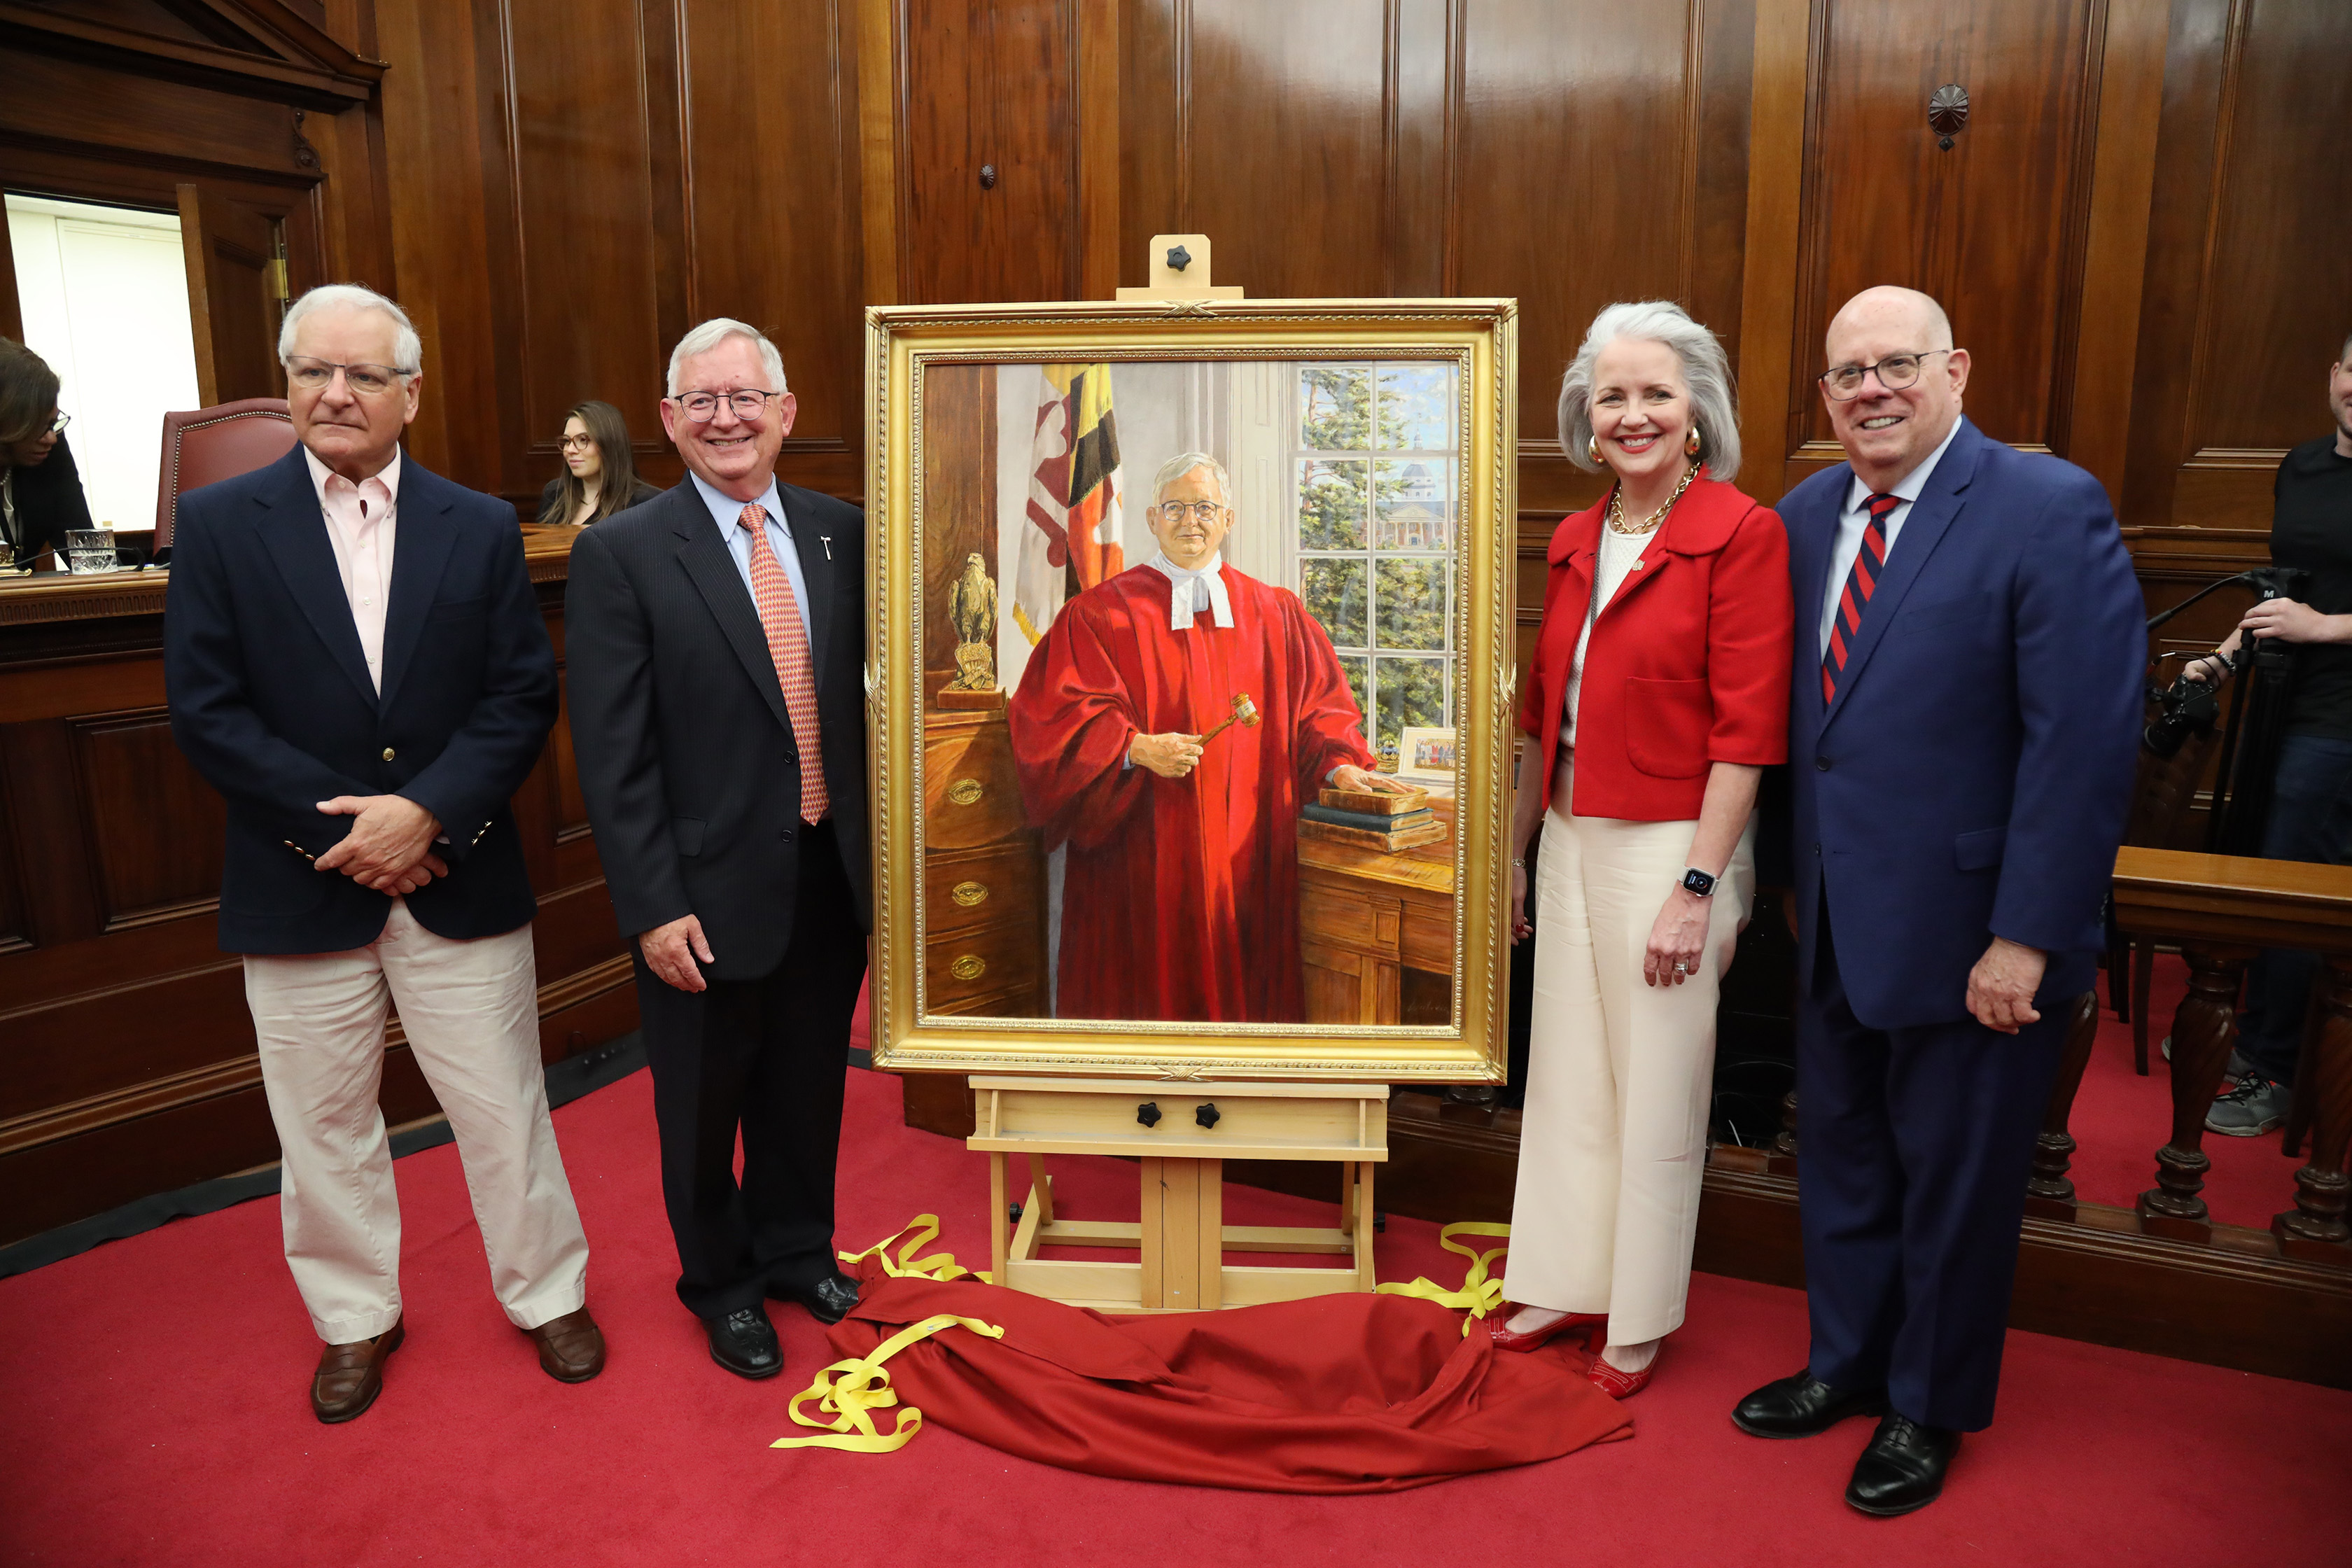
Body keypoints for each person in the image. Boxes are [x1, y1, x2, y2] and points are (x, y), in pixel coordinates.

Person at [1733, 286, 2143, 1516]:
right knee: (1845, 1165)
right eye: (1847, 373)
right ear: (1824, 396)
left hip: (1978, 935)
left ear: (1954, 368)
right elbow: (1806, 727)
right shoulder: (1802, 516)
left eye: (1896, 363)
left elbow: (2083, 744)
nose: (1872, 389)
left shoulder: (2044, 506)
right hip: (1836, 925)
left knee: (1958, 1186)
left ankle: (1927, 1404)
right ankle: (1846, 1363)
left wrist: (2027, 935)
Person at [163, 284, 601, 1423]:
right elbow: (208, 713)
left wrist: (428, 816)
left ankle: (545, 1291)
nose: (335, 393)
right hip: (296, 878)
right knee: (321, 1126)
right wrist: (348, 833)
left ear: (412, 393)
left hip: (461, 869)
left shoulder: (479, 524)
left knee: (504, 1106)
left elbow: (517, 696)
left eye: (362, 375)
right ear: (289, 383)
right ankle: (355, 1317)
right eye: (312, 371)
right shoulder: (220, 526)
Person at [1491, 302, 1791, 1399]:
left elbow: (1749, 733)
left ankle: (1639, 1312)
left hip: (1676, 847)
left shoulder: (1743, 533)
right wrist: (1519, 853)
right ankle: (1564, 1278)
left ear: (1697, 410)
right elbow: (1540, 719)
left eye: (1656, 393)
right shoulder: (1575, 536)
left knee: (1658, 1085)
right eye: (1612, 396)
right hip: (1570, 837)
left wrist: (1697, 890)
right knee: (1567, 1076)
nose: (1633, 415)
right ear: (1585, 414)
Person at [564, 318, 870, 1381]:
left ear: (787, 413)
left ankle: (794, 1253)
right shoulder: (622, 554)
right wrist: (650, 904)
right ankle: (724, 1287)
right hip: (697, 896)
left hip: (829, 879)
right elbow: (613, 753)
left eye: (745, 398)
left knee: (807, 1090)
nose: (726, 418)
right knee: (701, 1111)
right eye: (702, 401)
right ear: (668, 421)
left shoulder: (847, 532)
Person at [1005, 451, 1397, 1023]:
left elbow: (1320, 711)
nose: (1192, 521)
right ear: (1150, 519)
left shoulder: (1276, 613)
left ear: (1229, 519)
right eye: (1176, 508)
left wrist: (1341, 765)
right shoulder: (1099, 615)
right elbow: (1053, 714)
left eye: (1206, 507)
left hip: (1248, 852)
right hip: (1138, 850)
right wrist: (1133, 747)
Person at [2178, 335, 2352, 1136]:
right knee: (2264, 865)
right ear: (2333, 374)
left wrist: (2324, 627)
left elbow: (2313, 612)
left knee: (2295, 887)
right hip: (2280, 701)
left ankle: (2275, 1069)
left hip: (2341, 720)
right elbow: (2285, 590)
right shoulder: (2303, 465)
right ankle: (2251, 1045)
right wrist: (2222, 659)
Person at [0, 337, 96, 568]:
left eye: (53, 424)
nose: (52, 438)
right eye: (40, 426)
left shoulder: (51, 453)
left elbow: (88, 556)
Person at [537, 398, 660, 526]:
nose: (570, 450)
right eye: (567, 441)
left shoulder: (647, 502)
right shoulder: (554, 494)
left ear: (609, 445)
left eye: (584, 440)